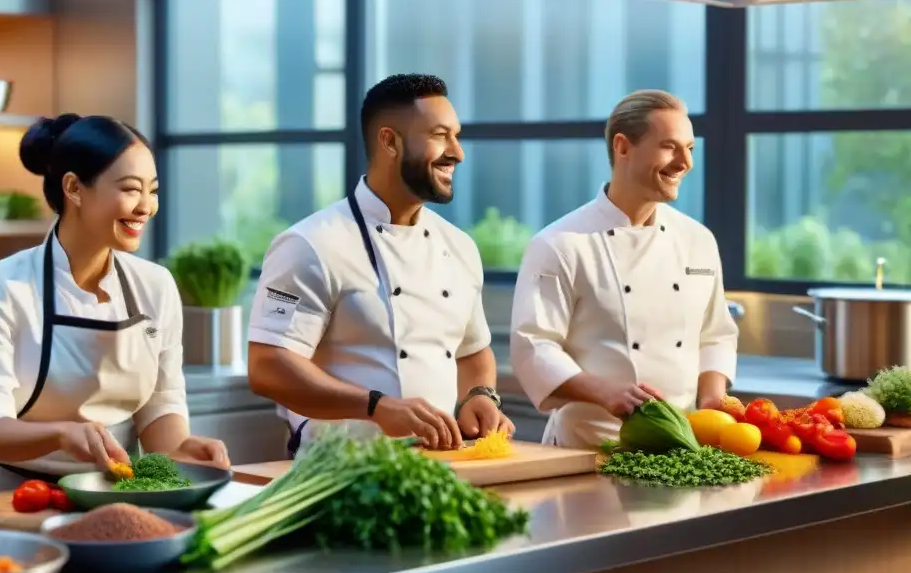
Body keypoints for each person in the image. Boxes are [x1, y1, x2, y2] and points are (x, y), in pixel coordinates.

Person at [0, 113, 230, 493]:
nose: (146, 207)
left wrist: (182, 448)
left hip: (117, 493)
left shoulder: (156, 285)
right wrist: (61, 435)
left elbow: (160, 404)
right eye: (131, 189)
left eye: (153, 190)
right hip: (20, 498)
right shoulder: (1, 286)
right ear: (74, 189)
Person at [248, 74, 513, 456]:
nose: (457, 152)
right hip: (339, 470)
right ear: (390, 141)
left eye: (456, 135)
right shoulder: (309, 244)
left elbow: (472, 351)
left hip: (438, 470)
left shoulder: (460, 247)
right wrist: (376, 406)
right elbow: (269, 366)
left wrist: (479, 395)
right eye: (440, 135)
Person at [509, 90, 737, 449]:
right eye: (669, 146)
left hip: (679, 449)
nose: (685, 162)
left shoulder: (698, 240)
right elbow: (534, 346)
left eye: (690, 148)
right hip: (586, 450)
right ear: (623, 147)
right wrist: (604, 392)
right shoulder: (560, 243)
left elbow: (716, 334)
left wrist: (712, 399)